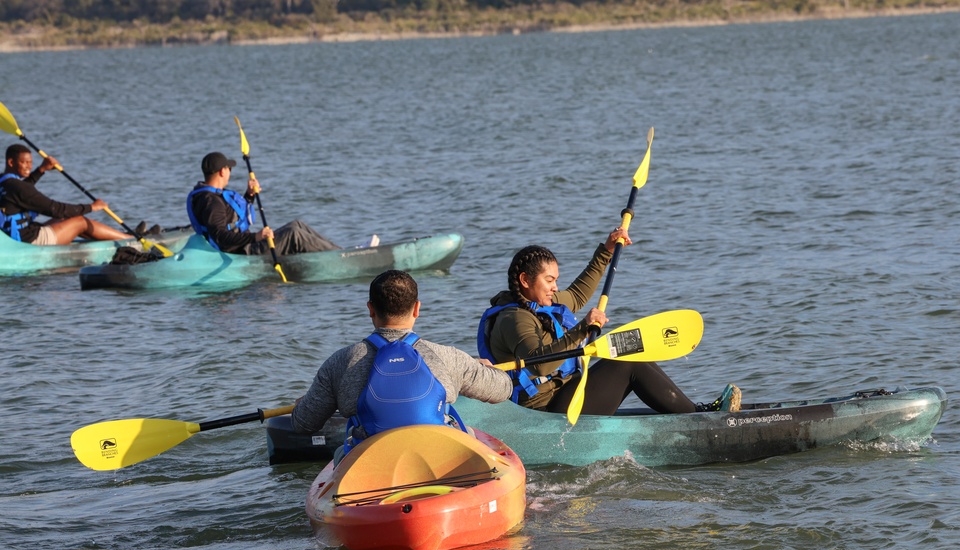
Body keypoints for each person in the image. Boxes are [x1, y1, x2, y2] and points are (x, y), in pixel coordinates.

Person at [478, 230, 741, 415]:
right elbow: (540, 365)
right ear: (525, 281)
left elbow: (579, 294)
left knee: (634, 353)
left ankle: (692, 410)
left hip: (567, 393)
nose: (555, 287)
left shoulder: (539, 303)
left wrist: (606, 250)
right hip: (546, 412)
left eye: (556, 280)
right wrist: (582, 328)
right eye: (549, 281)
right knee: (625, 363)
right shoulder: (514, 319)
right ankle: (697, 418)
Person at [292, 270, 513, 457]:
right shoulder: (447, 357)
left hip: (373, 463)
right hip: (438, 455)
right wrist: (487, 370)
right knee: (471, 436)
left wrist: (302, 405)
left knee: (341, 452)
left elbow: (303, 424)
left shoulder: (340, 362)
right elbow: (502, 390)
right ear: (417, 308)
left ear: (370, 309)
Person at [187, 151, 341, 255]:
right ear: (222, 171)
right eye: (229, 169)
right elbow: (220, 236)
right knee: (294, 234)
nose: (229, 172)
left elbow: (231, 220)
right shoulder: (211, 202)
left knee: (297, 225)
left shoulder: (208, 196)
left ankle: (338, 252)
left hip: (242, 244)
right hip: (242, 251)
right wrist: (256, 237)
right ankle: (339, 257)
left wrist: (249, 196)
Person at [0, 143, 133, 245]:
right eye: (25, 162)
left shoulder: (4, 181)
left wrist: (41, 170)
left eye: (31, 162)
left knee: (65, 219)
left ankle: (119, 236)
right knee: (80, 221)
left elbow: (20, 191)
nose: (29, 166)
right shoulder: (18, 187)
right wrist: (91, 207)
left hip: (12, 236)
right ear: (11, 162)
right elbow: (56, 209)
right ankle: (131, 240)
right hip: (28, 241)